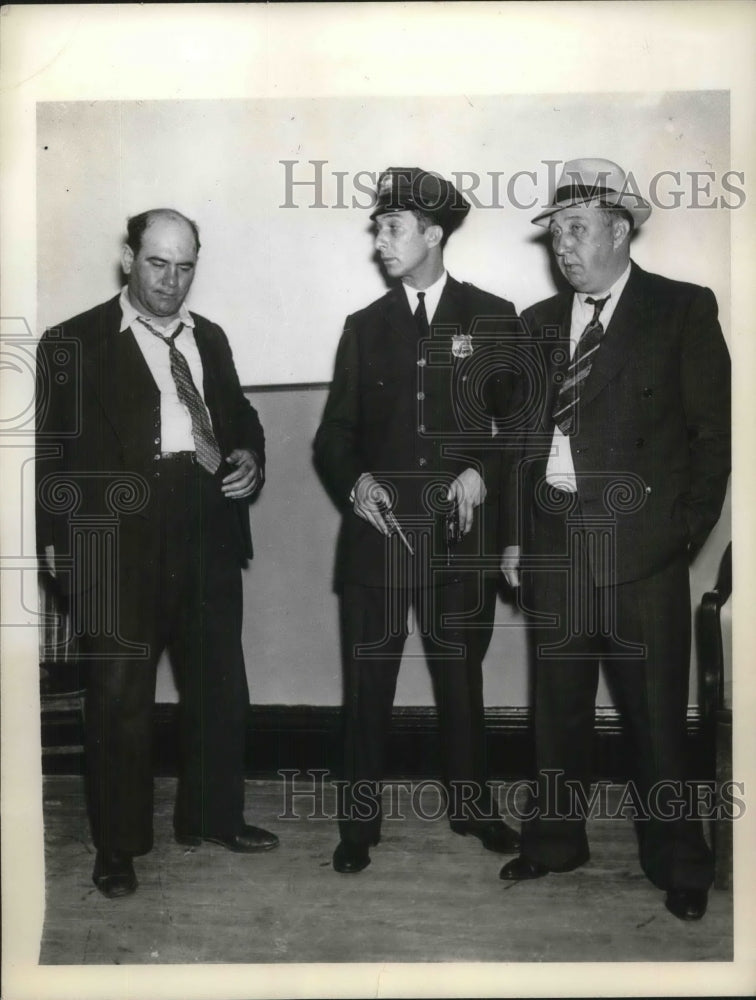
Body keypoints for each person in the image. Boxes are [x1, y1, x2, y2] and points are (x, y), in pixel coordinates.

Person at [499, 159, 731, 922]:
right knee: (556, 712)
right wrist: (513, 538)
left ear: (619, 229)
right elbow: (522, 444)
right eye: (555, 232)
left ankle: (679, 862)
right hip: (555, 548)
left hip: (642, 559)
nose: (561, 246)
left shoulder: (682, 310)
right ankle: (554, 842)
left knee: (657, 719)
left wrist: (675, 540)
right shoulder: (535, 324)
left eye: (576, 229)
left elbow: (711, 442)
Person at [35, 209, 278, 899]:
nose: (172, 281)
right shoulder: (72, 341)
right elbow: (47, 457)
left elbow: (240, 419)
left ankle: (213, 817)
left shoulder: (213, 339)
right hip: (112, 540)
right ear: (127, 258)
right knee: (118, 698)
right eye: (157, 264)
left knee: (218, 683)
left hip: (205, 525)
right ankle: (118, 847)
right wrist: (58, 552)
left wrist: (248, 458)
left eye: (185, 266)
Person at [314, 167, 522, 873]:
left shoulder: (494, 316)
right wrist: (357, 481)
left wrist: (480, 471)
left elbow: (518, 429)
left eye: (393, 227)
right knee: (367, 685)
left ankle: (472, 806)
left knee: (461, 680)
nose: (380, 241)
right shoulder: (364, 328)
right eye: (377, 228)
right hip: (378, 543)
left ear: (433, 234)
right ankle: (357, 827)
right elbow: (333, 438)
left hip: (459, 543)